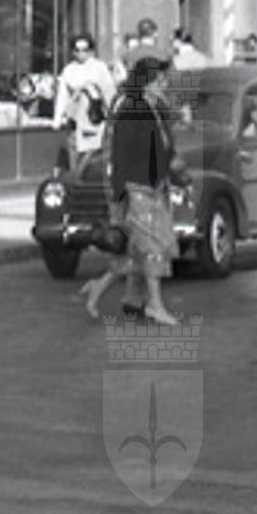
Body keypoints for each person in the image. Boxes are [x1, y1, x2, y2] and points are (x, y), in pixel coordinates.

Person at [82, 54, 179, 325]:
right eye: (159, 80)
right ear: (145, 83)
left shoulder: (156, 110)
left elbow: (164, 150)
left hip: (155, 188)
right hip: (137, 189)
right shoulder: (132, 111)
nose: (164, 84)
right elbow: (121, 157)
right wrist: (118, 197)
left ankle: (100, 288)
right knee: (152, 246)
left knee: (136, 252)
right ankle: (155, 305)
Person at [53, 33, 116, 168]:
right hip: (75, 120)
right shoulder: (69, 70)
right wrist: (58, 119)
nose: (81, 53)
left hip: (95, 118)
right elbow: (62, 96)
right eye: (77, 50)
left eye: (85, 50)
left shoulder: (99, 68)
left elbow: (109, 92)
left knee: (95, 154)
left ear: (91, 50)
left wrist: (113, 114)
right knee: (75, 153)